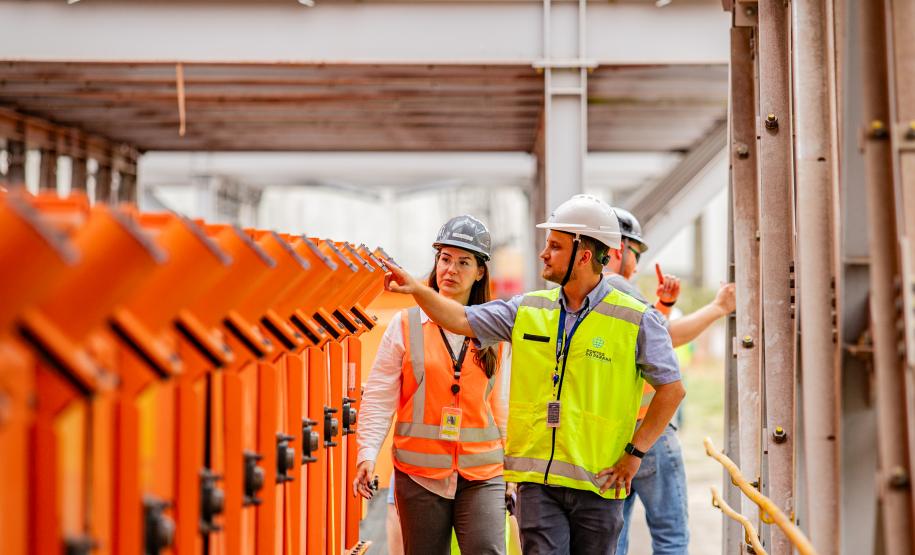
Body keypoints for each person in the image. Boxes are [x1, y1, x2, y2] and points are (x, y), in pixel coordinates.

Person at [384, 194, 685, 555]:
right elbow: (460, 319)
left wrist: (635, 454)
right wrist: (417, 288)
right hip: (537, 484)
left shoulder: (636, 318)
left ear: (584, 255)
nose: (543, 254)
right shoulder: (528, 310)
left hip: (598, 485)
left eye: (554, 247)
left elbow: (672, 390)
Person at [353, 215, 510, 555]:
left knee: (488, 550)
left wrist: (512, 473)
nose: (450, 269)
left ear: (480, 271)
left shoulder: (496, 330)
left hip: (483, 473)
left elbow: (502, 405)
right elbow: (380, 397)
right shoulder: (405, 325)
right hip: (419, 474)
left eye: (463, 262)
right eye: (445, 259)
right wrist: (366, 453)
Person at [605, 207, 736, 555]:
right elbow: (667, 336)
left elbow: (655, 334)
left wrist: (663, 304)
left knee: (612, 537)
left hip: (609, 436)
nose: (635, 262)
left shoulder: (586, 303)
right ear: (619, 250)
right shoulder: (624, 296)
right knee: (671, 535)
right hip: (652, 433)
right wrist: (719, 308)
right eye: (634, 252)